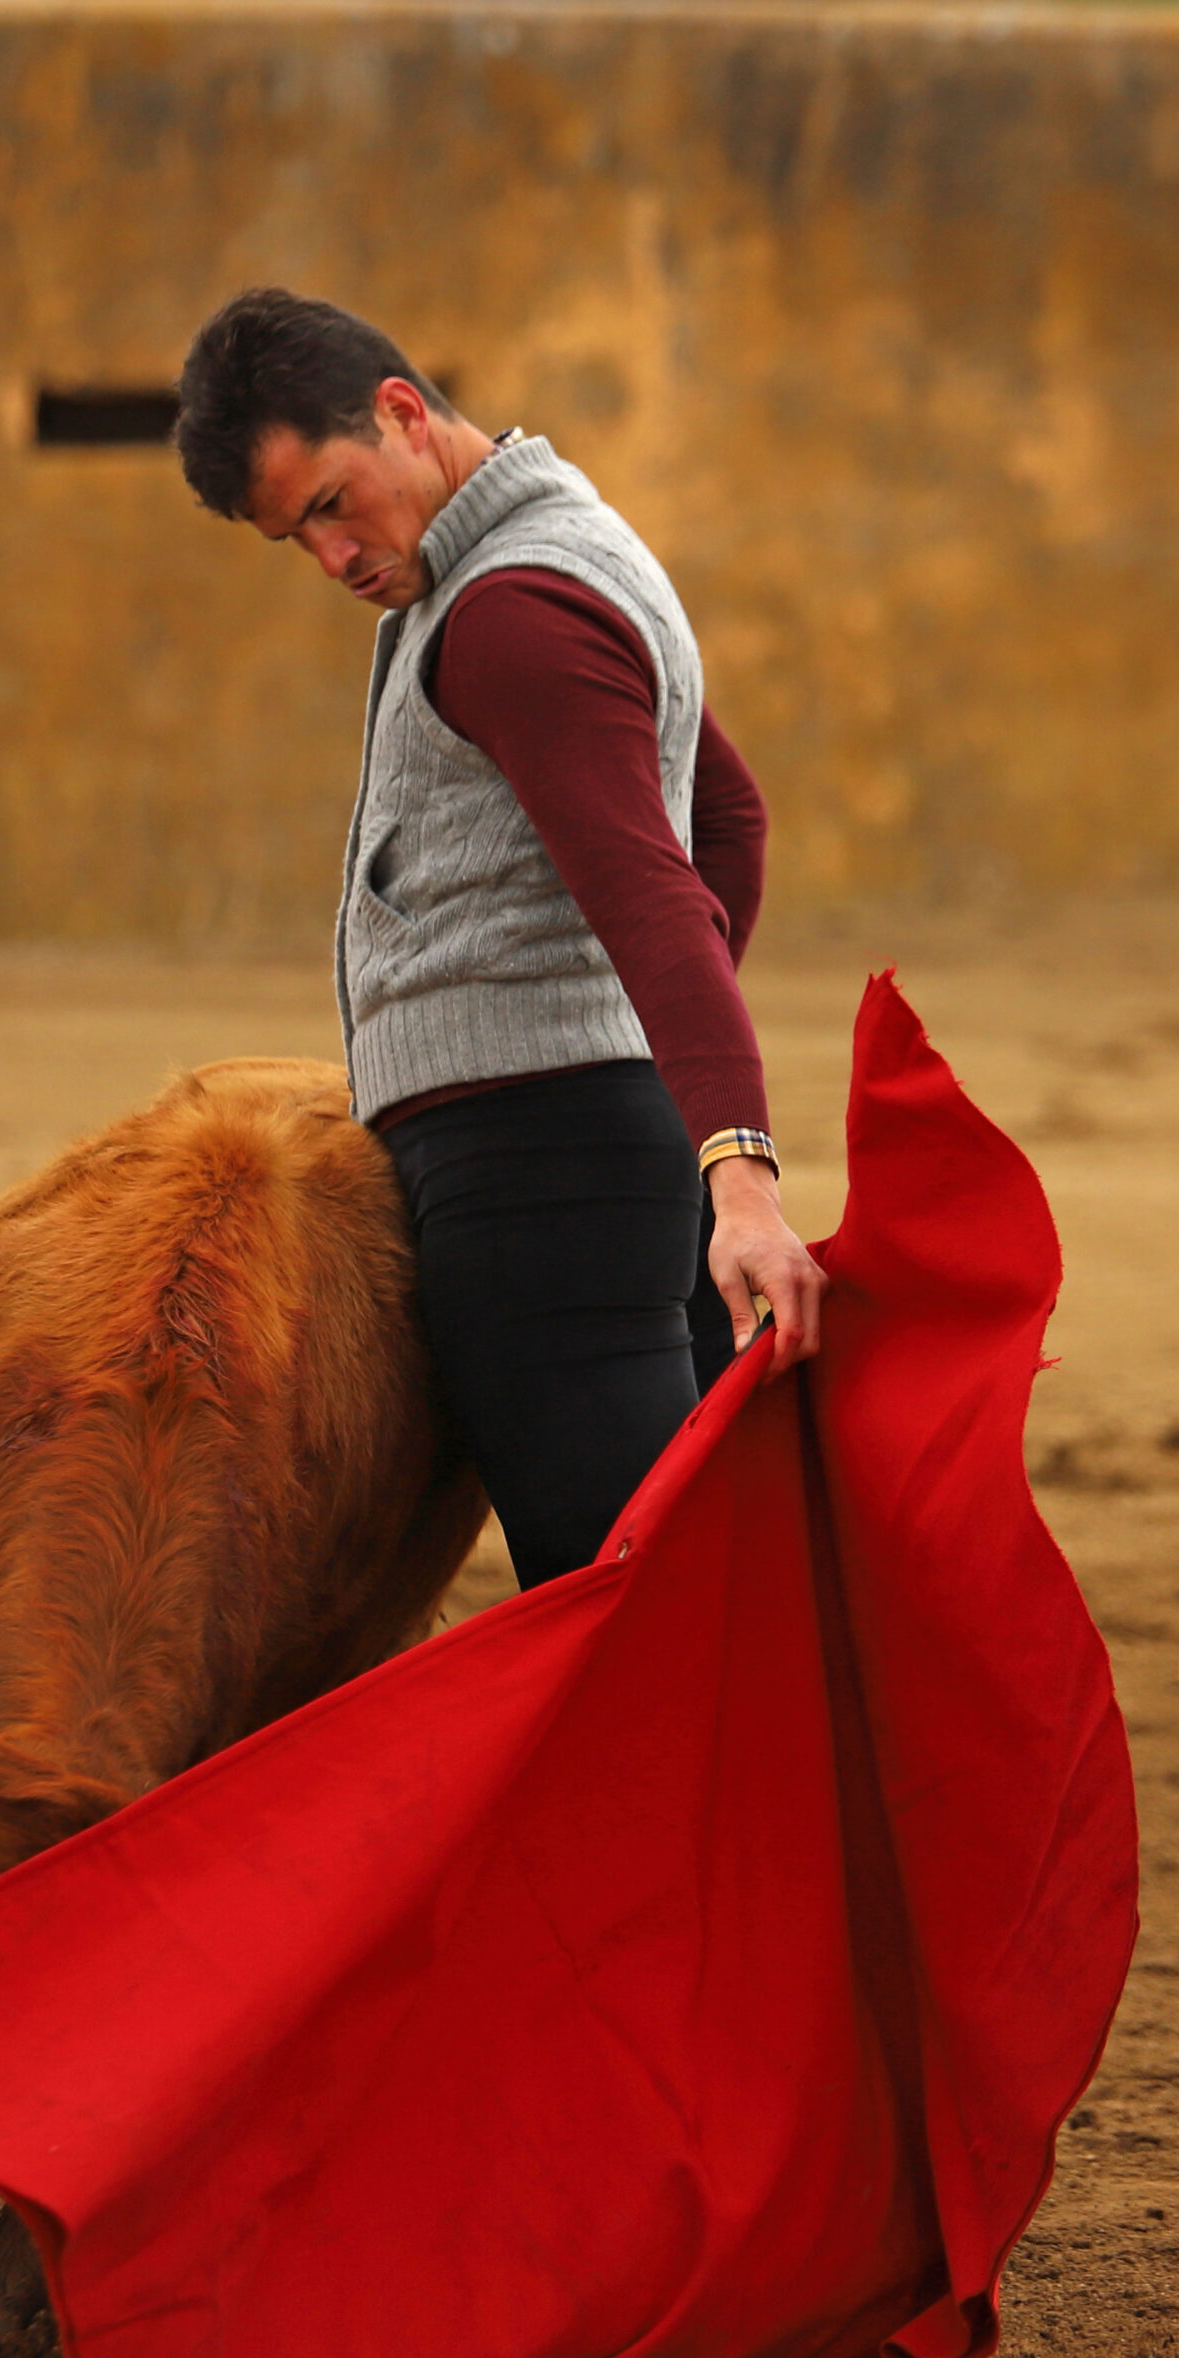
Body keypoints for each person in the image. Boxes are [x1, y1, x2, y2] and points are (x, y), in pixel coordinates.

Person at [175, 288, 825, 1591]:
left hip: (538, 1182)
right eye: (293, 540)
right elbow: (729, 820)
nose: (333, 560)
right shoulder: (561, 551)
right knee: (695, 1600)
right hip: (602, 1152)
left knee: (621, 1623)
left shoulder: (508, 616)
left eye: (330, 504)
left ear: (405, 415)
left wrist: (737, 1170)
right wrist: (647, 1072)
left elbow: (651, 892)